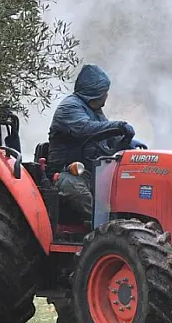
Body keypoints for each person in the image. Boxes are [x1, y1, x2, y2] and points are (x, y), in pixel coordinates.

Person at [47, 64, 144, 223]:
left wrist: (127, 141)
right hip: (68, 172)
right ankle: (103, 227)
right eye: (104, 92)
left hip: (94, 170)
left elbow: (105, 134)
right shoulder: (69, 107)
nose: (106, 96)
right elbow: (85, 128)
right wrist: (118, 126)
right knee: (77, 190)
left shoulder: (94, 110)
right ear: (94, 92)